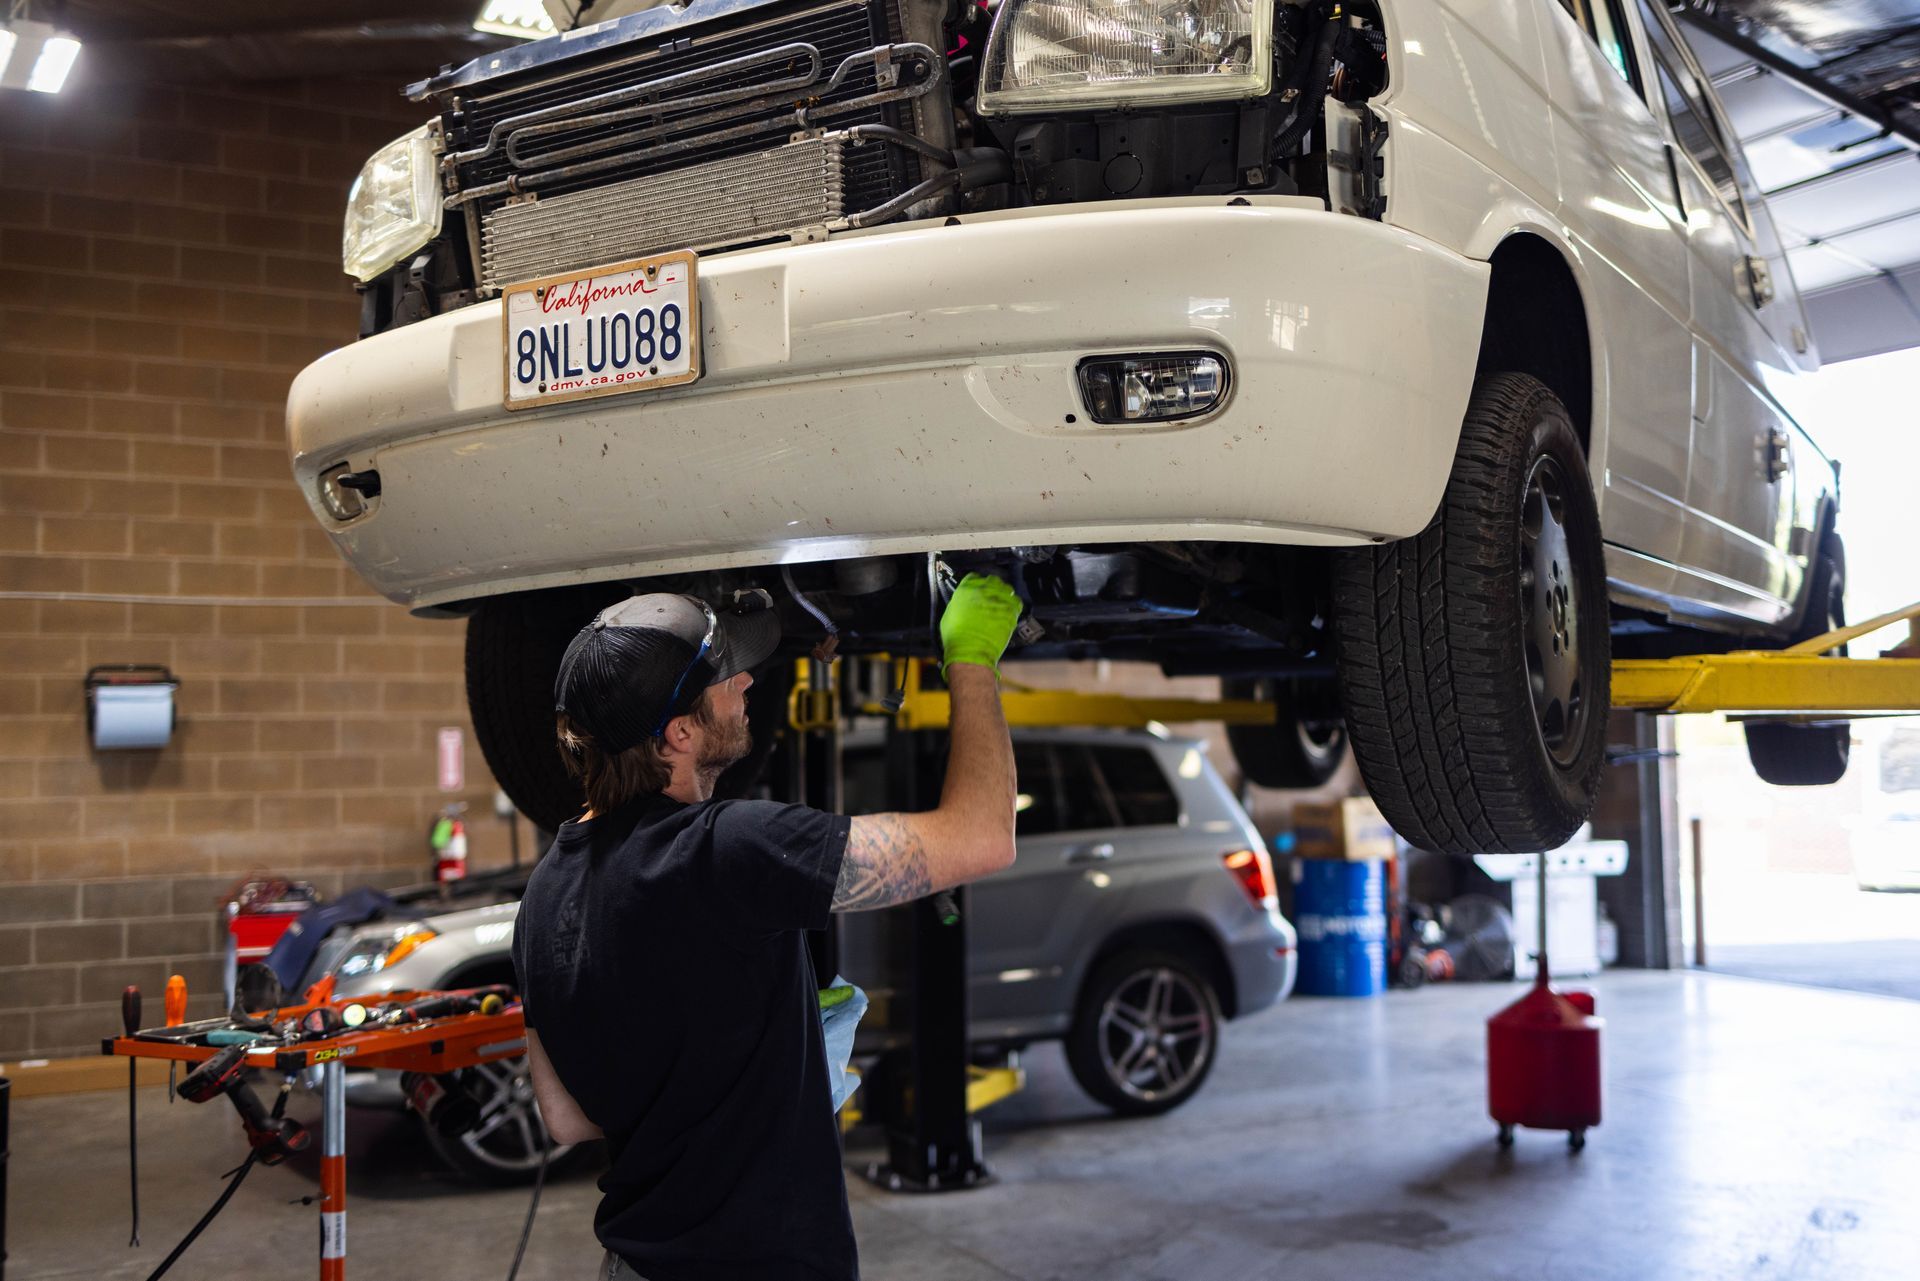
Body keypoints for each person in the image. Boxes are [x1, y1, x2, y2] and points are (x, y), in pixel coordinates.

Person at [512, 574, 1023, 1281]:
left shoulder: (543, 891)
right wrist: (972, 661)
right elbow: (982, 836)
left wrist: (745, 1064)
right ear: (679, 733)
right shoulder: (729, 848)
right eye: (725, 679)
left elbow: (565, 1117)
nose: (747, 681)